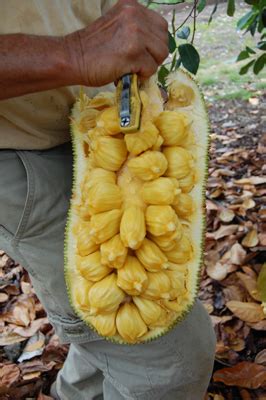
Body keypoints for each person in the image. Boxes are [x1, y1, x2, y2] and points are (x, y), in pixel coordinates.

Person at [0, 0, 216, 399]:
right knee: (175, 363)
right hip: (22, 151)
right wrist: (75, 53)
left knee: (109, 340)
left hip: (97, 119)